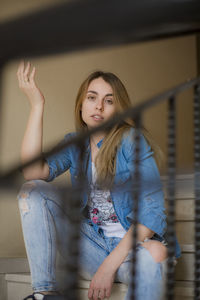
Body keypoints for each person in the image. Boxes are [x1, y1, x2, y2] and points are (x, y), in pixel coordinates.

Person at [16, 61, 180, 300]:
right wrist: (37, 105)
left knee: (154, 253)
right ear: (81, 104)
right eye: (92, 97)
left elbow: (153, 213)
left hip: (131, 251)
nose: (99, 106)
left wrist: (108, 266)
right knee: (33, 190)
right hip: (93, 245)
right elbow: (32, 171)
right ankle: (45, 292)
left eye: (109, 101)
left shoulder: (131, 141)